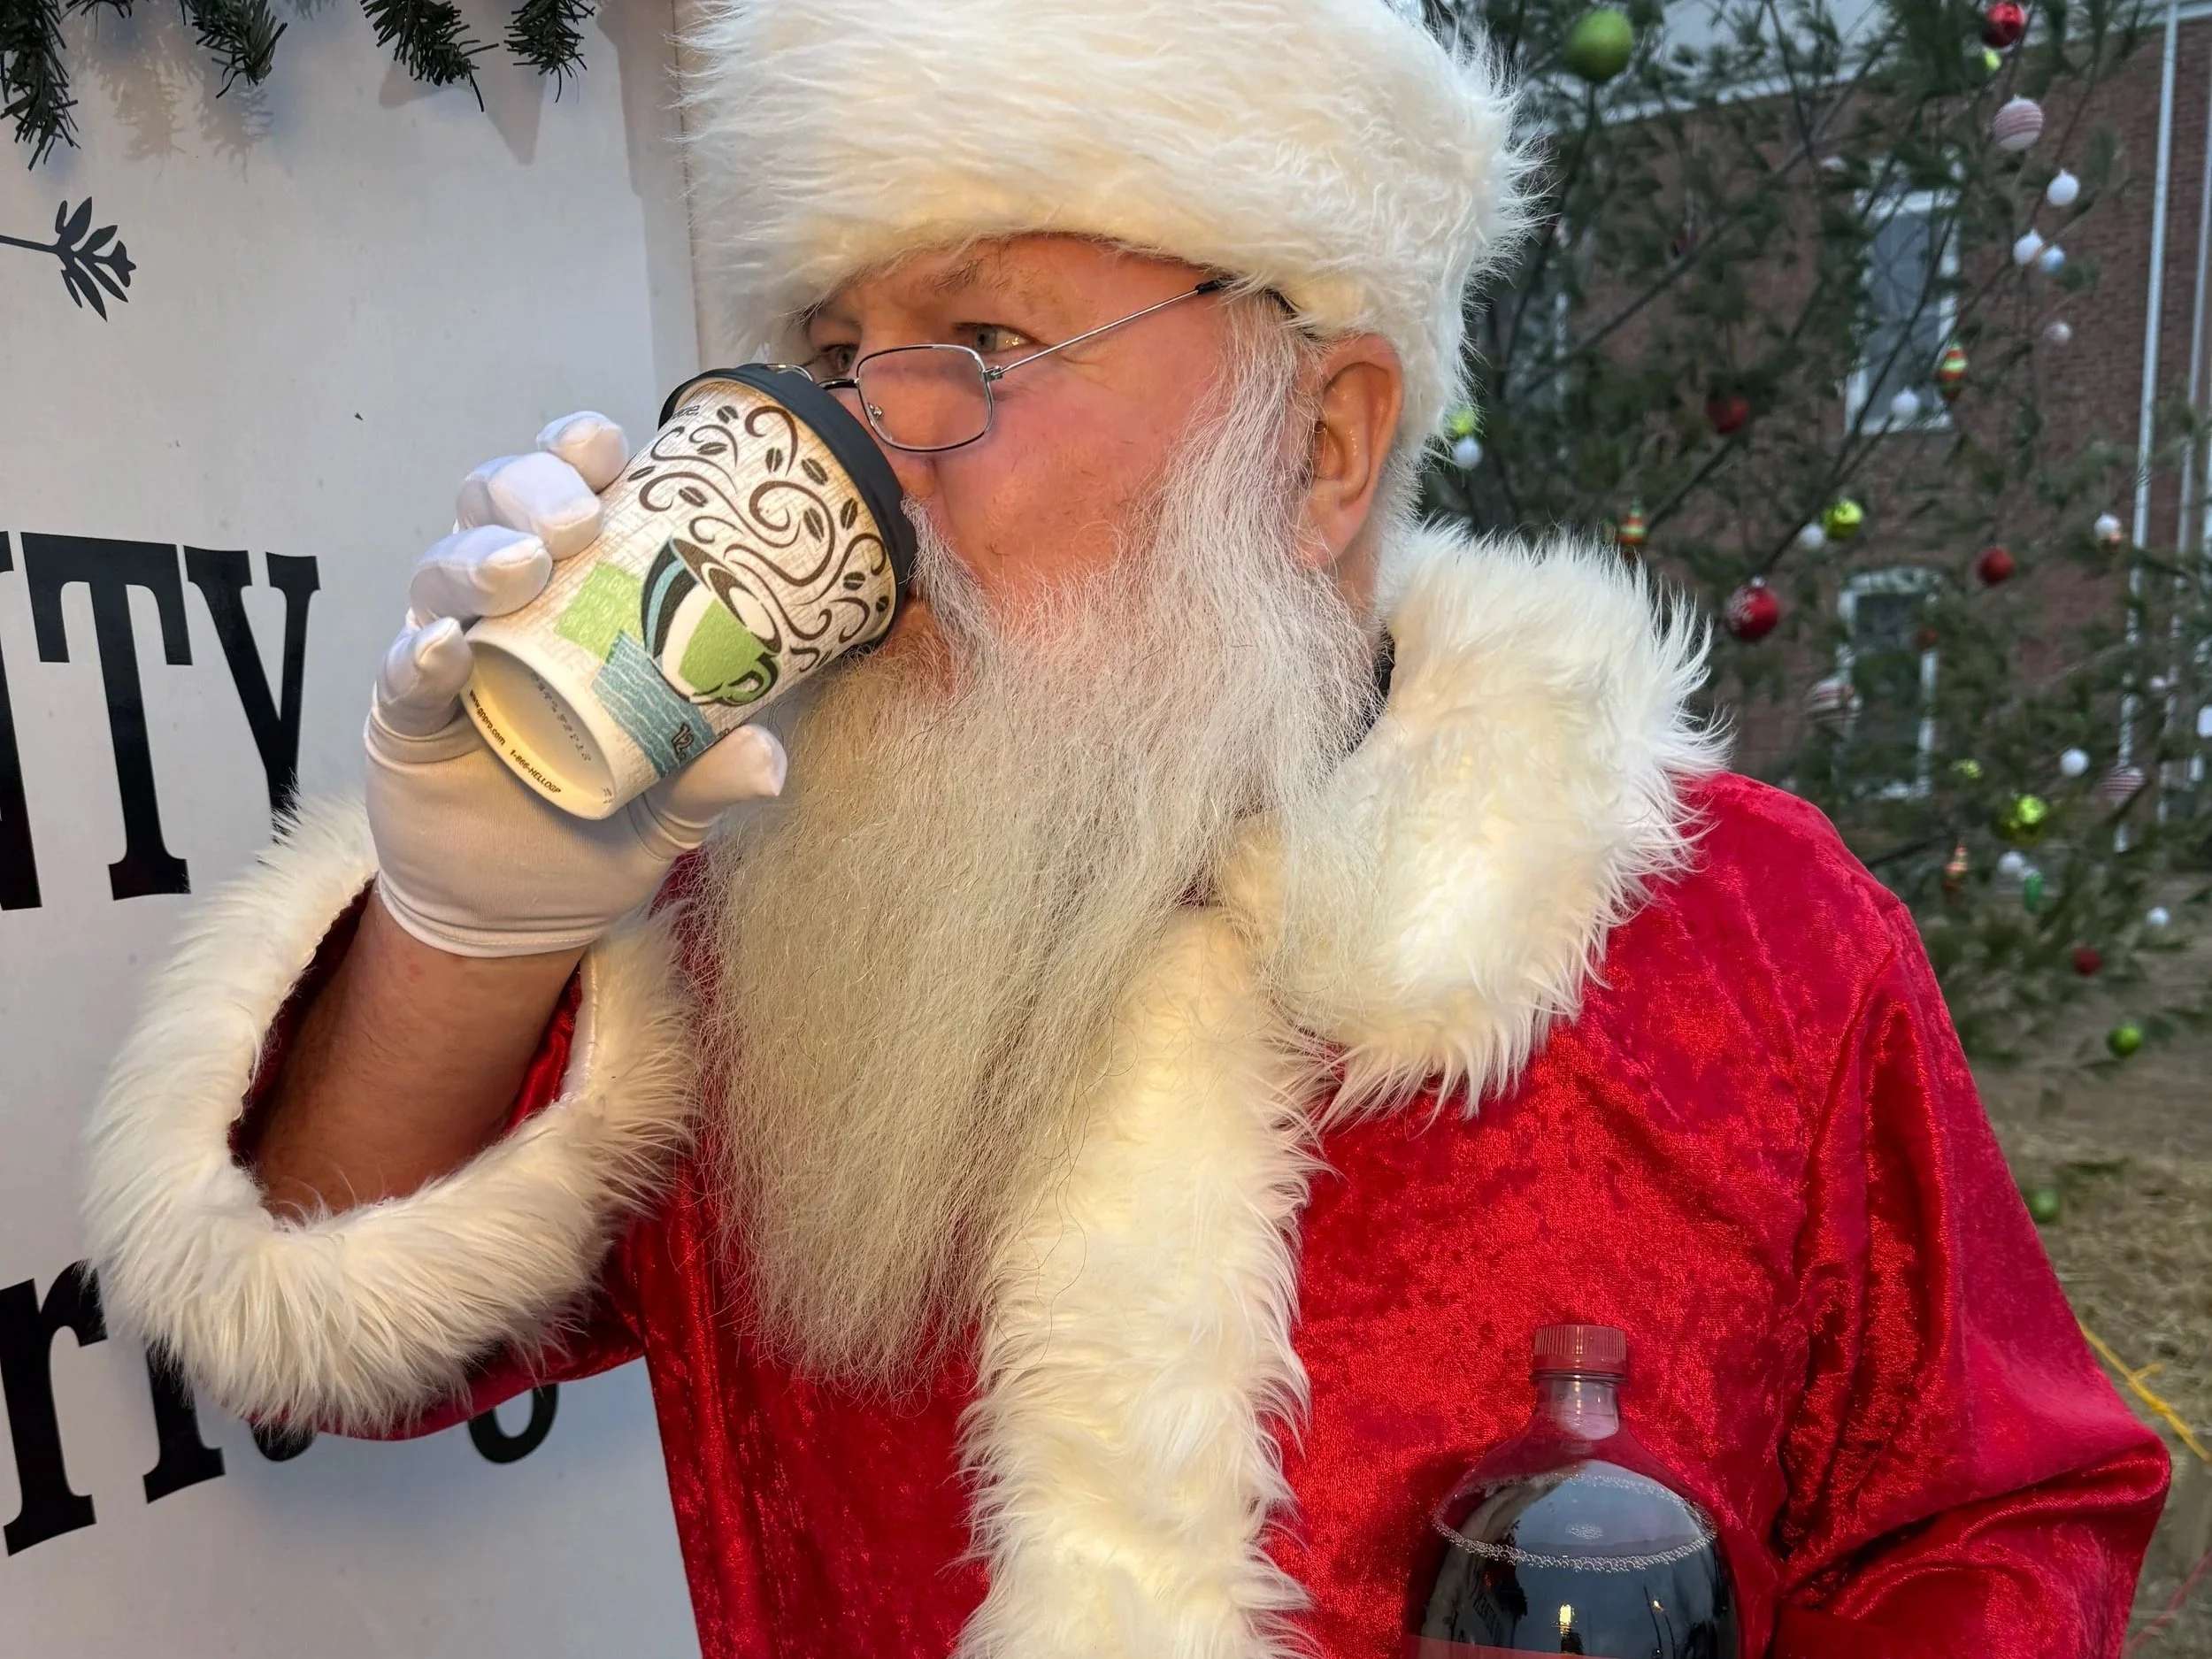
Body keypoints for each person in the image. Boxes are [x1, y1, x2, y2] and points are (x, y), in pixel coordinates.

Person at [83, 1, 2166, 1655]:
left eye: (976, 346)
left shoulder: (1746, 943)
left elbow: (1985, 1511)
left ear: (1323, 441)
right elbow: (337, 1313)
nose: (869, 465)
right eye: (832, 356)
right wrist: (470, 906)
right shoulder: (769, 931)